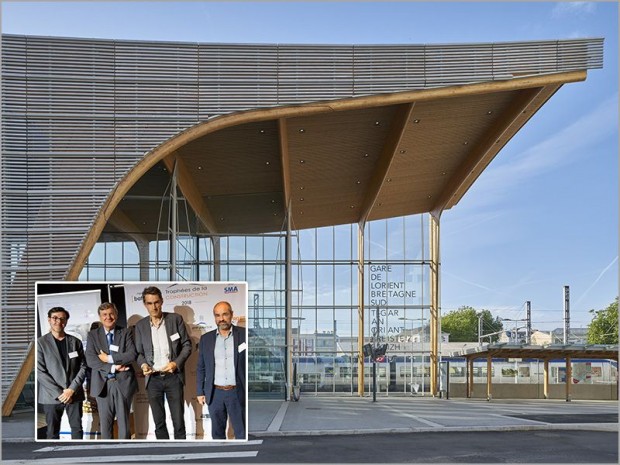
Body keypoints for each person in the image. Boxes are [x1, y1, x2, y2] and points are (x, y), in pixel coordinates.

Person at [134, 286, 191, 439]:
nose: (154, 307)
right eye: (150, 303)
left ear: (162, 301)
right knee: (159, 422)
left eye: (156, 302)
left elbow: (187, 345)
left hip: (173, 377)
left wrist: (176, 363)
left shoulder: (175, 319)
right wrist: (143, 364)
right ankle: (164, 452)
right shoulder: (140, 326)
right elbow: (138, 353)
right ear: (145, 305)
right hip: (153, 379)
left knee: (178, 420)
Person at [85, 302, 137, 439]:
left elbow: (131, 355)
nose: (108, 317)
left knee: (124, 424)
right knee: (105, 424)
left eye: (111, 314)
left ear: (116, 315)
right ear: (100, 317)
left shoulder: (125, 332)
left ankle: (124, 453)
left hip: (123, 383)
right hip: (103, 385)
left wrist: (108, 358)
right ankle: (108, 451)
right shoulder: (93, 335)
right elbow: (91, 360)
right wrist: (113, 367)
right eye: (104, 314)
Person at [196, 301, 246, 440]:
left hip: (237, 391)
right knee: (217, 433)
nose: (221, 318)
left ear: (231, 315)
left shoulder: (244, 335)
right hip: (215, 393)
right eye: (217, 315)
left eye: (225, 314)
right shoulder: (206, 339)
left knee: (241, 432)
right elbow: (201, 367)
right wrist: (200, 391)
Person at [36, 307, 87, 439]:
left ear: (66, 321)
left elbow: (83, 367)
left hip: (74, 395)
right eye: (55, 318)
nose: (58, 321)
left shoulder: (75, 342)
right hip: (51, 396)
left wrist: (71, 390)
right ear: (49, 320)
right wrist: (61, 393)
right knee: (52, 433)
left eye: (62, 318)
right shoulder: (40, 343)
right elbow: (40, 372)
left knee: (77, 430)